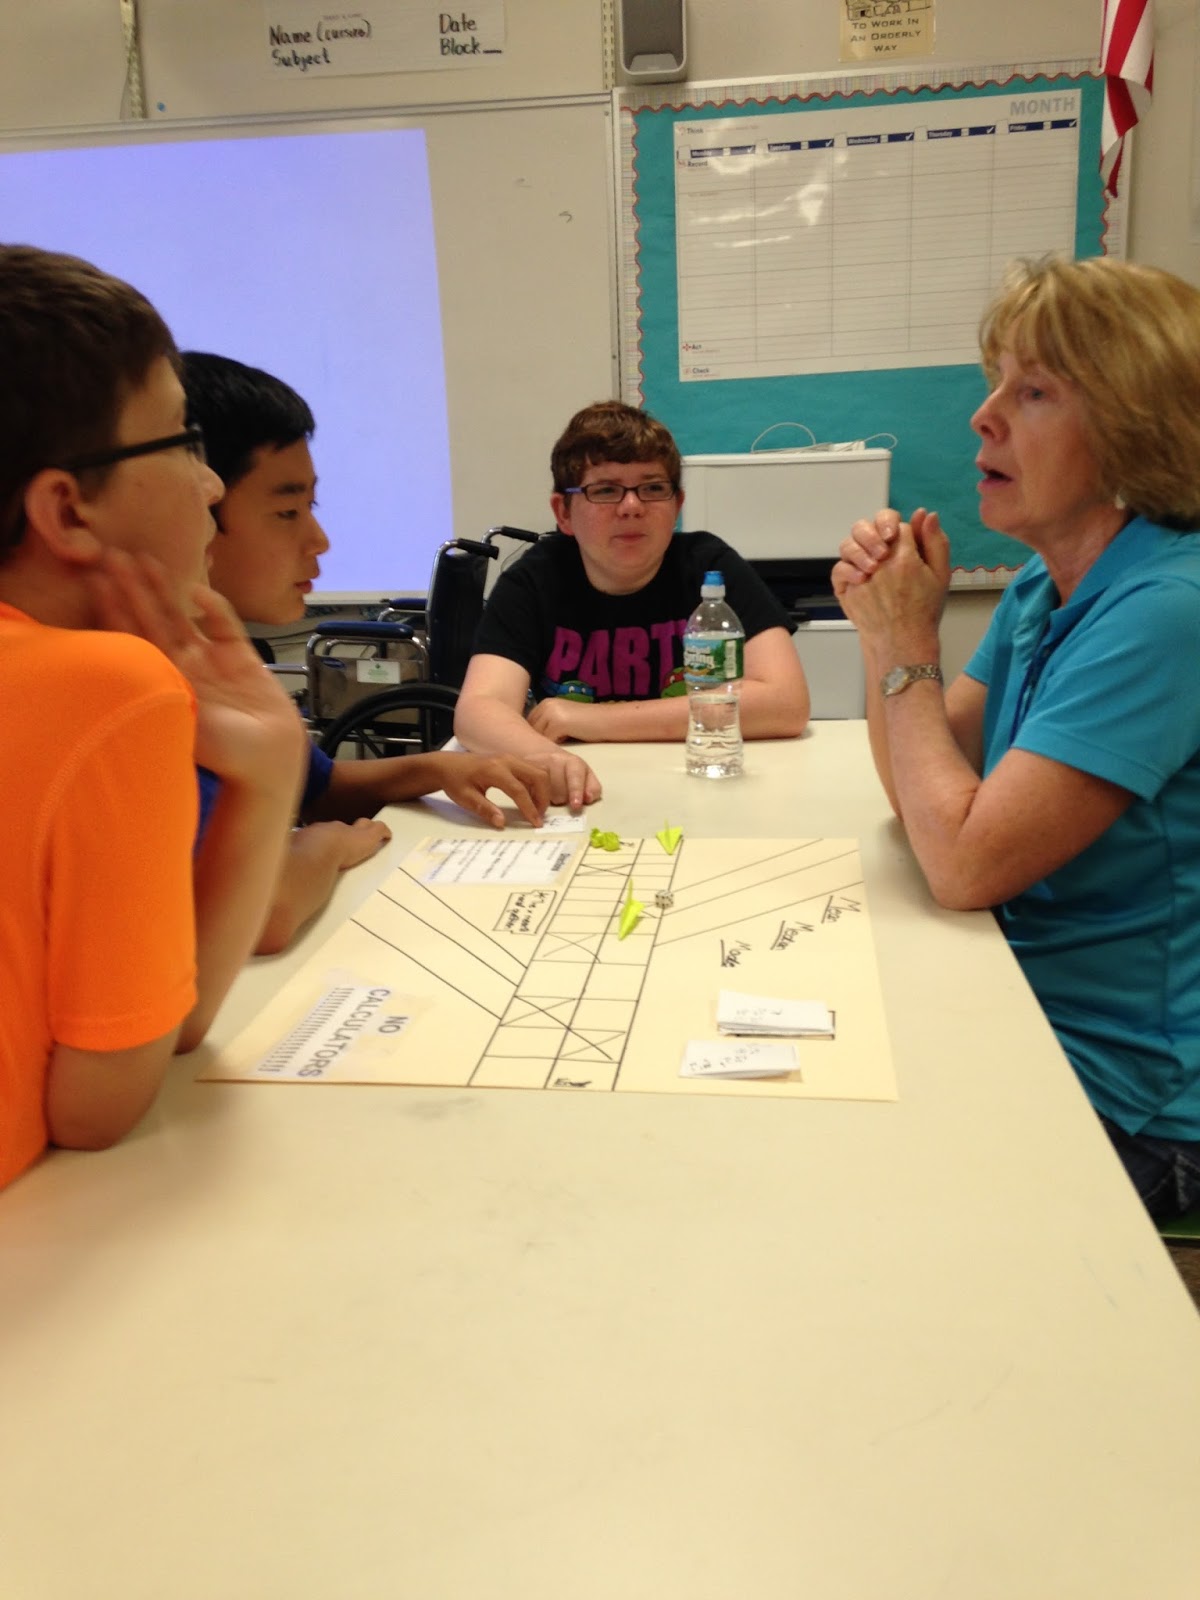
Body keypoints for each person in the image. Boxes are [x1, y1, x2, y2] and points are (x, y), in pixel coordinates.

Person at [832, 254, 1200, 1222]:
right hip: (1024, 1000)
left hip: (1138, 1094)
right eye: (996, 382)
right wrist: (880, 627)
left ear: (1135, 427)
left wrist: (906, 642)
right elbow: (923, 793)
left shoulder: (1169, 607)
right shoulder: (1047, 581)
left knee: (844, 1194)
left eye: (1032, 391)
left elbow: (961, 864)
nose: (981, 417)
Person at [0, 245, 307, 1191]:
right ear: (67, 511)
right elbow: (101, 1105)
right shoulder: (108, 687)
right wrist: (270, 773)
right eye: (182, 442)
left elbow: (135, 1028)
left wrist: (267, 767)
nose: (210, 486)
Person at [181, 351, 566, 953]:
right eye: (287, 511)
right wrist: (326, 845)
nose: (319, 540)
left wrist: (438, 768)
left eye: (312, 507)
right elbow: (265, 911)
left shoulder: (213, 654)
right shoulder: (147, 680)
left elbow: (318, 787)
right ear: (192, 511)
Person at [453, 400, 810, 797]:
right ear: (563, 512)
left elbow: (786, 703)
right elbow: (478, 710)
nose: (632, 507)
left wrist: (588, 719)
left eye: (653, 488)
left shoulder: (710, 568)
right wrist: (546, 758)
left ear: (677, 505)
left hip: (696, 779)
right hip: (583, 786)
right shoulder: (532, 580)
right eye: (605, 490)